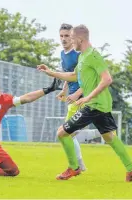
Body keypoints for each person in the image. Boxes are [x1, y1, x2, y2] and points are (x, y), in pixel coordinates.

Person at [37, 24, 132, 182]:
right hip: (99, 105)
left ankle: (74, 168)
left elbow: (107, 79)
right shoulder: (82, 56)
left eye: (72, 38)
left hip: (94, 105)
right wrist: (50, 72)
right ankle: (131, 169)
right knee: (110, 137)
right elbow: (73, 76)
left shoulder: (93, 56)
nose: (70, 41)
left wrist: (87, 98)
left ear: (79, 39)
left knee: (62, 133)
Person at [56, 23, 86, 171]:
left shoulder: (79, 55)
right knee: (69, 133)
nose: (63, 39)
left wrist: (77, 93)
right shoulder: (63, 54)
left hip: (82, 98)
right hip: (73, 98)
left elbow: (88, 79)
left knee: (66, 132)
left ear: (73, 37)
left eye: (67, 36)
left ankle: (77, 166)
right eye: (61, 36)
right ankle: (79, 165)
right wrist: (64, 90)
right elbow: (68, 75)